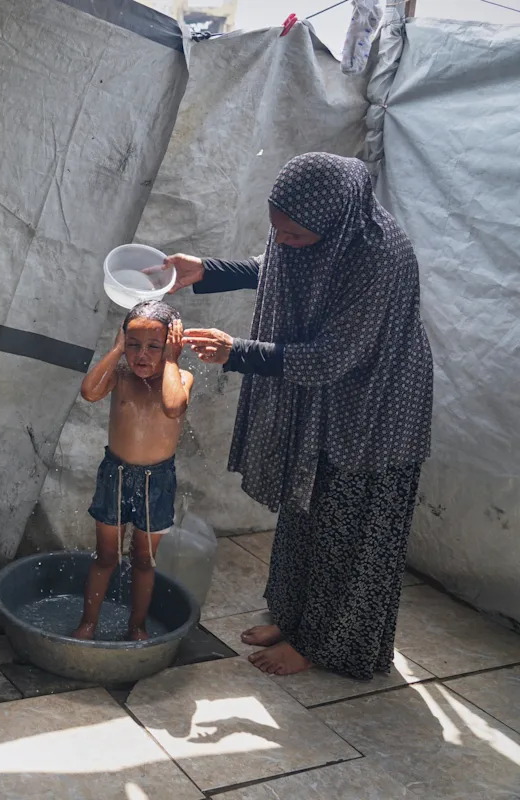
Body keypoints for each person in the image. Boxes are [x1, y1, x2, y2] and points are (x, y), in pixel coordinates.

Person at [170, 153, 433, 679]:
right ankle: (294, 618)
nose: (282, 243)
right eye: (277, 231)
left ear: (331, 225)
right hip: (322, 400)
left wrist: (237, 351)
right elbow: (281, 269)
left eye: (292, 235)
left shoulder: (378, 255)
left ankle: (324, 642)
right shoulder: (321, 234)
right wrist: (207, 272)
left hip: (375, 407)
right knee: (305, 509)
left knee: (348, 529)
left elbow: (334, 356)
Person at [72, 300, 194, 642]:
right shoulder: (120, 376)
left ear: (172, 346)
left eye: (154, 346)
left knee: (144, 559)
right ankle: (89, 623)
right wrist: (115, 350)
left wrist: (170, 360)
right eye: (133, 345)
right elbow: (88, 392)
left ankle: (137, 625)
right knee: (106, 556)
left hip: (158, 481)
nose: (142, 354)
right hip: (116, 475)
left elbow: (173, 407)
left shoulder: (182, 377)